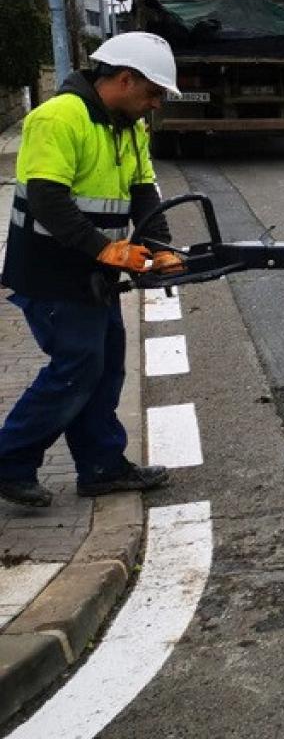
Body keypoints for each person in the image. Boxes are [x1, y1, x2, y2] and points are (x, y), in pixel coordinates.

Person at [0, 32, 184, 507]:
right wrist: (105, 249)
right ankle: (9, 461)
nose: (156, 105)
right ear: (125, 80)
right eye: (153, 93)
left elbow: (143, 190)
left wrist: (158, 246)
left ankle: (102, 466)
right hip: (50, 272)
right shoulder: (59, 118)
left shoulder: (127, 127)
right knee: (77, 368)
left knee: (104, 369)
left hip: (92, 273)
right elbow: (48, 200)